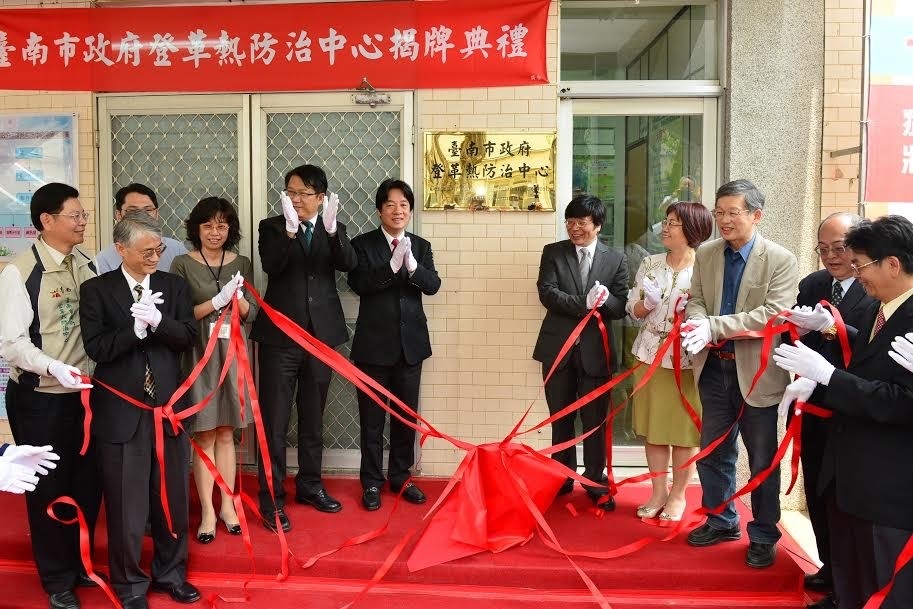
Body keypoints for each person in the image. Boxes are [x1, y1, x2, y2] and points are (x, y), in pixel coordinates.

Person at [774, 215, 913, 609]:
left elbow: (900, 402)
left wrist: (829, 378)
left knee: (884, 583)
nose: (856, 272)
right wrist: (821, 379)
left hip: (888, 483)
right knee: (852, 574)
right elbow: (867, 364)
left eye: (861, 264)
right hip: (851, 471)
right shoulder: (876, 309)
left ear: (892, 264)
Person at [80, 212, 199, 609]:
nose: (154, 257)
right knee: (126, 505)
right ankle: (130, 585)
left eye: (158, 250)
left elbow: (187, 337)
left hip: (167, 409)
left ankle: (171, 574)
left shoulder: (173, 285)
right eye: (147, 251)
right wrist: (133, 331)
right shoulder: (96, 290)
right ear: (121, 249)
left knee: (171, 499)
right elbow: (97, 348)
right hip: (121, 412)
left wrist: (160, 321)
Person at [681, 179, 798, 569]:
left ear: (756, 215)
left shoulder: (780, 259)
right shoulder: (707, 253)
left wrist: (713, 326)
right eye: (720, 212)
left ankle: (763, 534)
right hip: (714, 369)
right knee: (713, 452)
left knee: (762, 459)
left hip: (757, 373)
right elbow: (697, 299)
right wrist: (697, 321)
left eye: (733, 212)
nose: (724, 220)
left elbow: (773, 315)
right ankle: (721, 520)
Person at [0, 182, 102, 609]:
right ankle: (57, 579)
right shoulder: (21, 271)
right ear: (46, 220)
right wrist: (51, 366)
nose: (82, 222)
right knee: (48, 486)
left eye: (83, 215)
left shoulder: (86, 263)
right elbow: (11, 344)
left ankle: (80, 562)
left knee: (87, 483)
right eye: (74, 215)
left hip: (87, 397)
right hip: (41, 397)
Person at [250, 164, 357, 530]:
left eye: (304, 193)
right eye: (291, 192)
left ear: (321, 197)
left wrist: (332, 231)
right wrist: (291, 232)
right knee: (275, 421)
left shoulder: (333, 226)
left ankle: (310, 486)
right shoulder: (272, 227)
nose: (296, 199)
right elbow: (272, 265)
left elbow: (349, 264)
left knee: (313, 417)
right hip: (280, 339)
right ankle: (272, 499)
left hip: (320, 337)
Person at [780, 212, 875, 609]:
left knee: (841, 497)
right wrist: (796, 330)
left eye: (840, 248)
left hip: (848, 407)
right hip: (810, 403)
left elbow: (869, 348)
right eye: (823, 249)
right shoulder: (814, 283)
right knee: (816, 488)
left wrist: (831, 329)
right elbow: (794, 336)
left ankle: (846, 583)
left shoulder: (874, 289)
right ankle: (828, 567)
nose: (832, 257)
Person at [347, 179, 441, 511]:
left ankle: (401, 476)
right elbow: (359, 283)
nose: (397, 211)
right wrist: (390, 268)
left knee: (405, 418)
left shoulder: (421, 246)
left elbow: (433, 285)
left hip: (410, 347)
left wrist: (412, 267)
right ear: (379, 210)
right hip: (373, 347)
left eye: (403, 205)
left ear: (410, 211)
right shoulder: (362, 245)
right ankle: (372, 482)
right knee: (371, 421)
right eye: (390, 205)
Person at [532, 194, 629, 508]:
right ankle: (561, 476)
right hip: (557, 349)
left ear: (597, 225)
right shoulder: (553, 252)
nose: (574, 228)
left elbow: (621, 306)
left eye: (581, 222)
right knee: (560, 417)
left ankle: (595, 480)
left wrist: (606, 300)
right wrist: (582, 303)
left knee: (594, 421)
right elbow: (547, 293)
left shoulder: (616, 259)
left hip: (596, 353)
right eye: (570, 222)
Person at [169, 197, 255, 544]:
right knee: (204, 433)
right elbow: (179, 316)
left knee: (226, 433)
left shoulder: (242, 262)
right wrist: (216, 302)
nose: (215, 232)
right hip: (199, 354)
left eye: (221, 225)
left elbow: (250, 314)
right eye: (208, 225)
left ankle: (227, 506)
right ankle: (207, 510)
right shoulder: (181, 263)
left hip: (232, 352)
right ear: (197, 229)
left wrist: (239, 299)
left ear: (230, 229)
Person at [626, 201, 713, 523]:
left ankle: (678, 495)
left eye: (673, 223)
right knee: (654, 429)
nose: (665, 227)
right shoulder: (649, 263)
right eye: (666, 221)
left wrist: (690, 315)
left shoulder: (705, 267)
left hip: (687, 360)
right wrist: (647, 304)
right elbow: (632, 310)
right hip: (648, 354)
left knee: (684, 431)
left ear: (692, 229)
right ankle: (658, 492)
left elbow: (713, 313)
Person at [96, 183, 187, 274]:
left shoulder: (177, 250)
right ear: (118, 215)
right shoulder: (104, 260)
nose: (141, 215)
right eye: (133, 210)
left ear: (157, 214)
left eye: (148, 210)